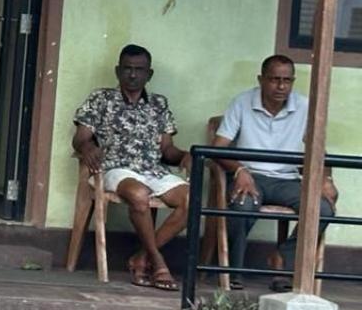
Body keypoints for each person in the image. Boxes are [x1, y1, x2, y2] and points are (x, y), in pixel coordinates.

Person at [71, 44, 191, 290]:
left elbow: (167, 150)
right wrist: (87, 148)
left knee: (192, 199)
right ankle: (157, 260)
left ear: (150, 74)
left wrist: (184, 156)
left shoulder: (159, 104)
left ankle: (141, 257)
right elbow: (80, 137)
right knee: (139, 195)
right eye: (127, 69)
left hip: (152, 170)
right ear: (117, 71)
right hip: (116, 168)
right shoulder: (101, 99)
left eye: (139, 70)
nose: (133, 75)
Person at [213, 54, 338, 287]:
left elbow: (319, 149)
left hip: (288, 180)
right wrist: (240, 170)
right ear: (261, 79)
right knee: (242, 205)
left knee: (323, 209)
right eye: (274, 79)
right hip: (251, 178)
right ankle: (234, 271)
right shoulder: (242, 102)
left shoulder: (304, 106)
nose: (281, 86)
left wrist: (326, 179)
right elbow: (218, 147)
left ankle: (282, 258)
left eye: (287, 80)